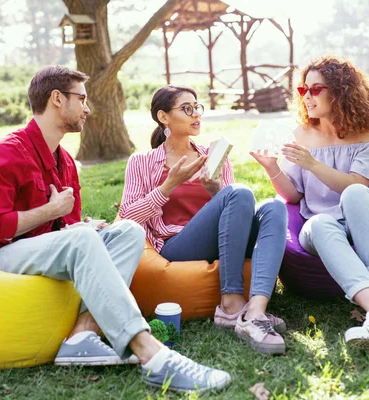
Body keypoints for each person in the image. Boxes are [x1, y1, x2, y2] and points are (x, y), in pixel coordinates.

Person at [0, 66, 231, 392]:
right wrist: (50, 212)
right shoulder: (7, 153)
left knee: (128, 230)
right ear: (57, 99)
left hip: (40, 247)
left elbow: (68, 226)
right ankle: (152, 355)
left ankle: (82, 336)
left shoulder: (65, 161)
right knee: (82, 238)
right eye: (81, 99)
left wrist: (85, 224)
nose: (87, 108)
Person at [251, 55, 369, 349]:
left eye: (316, 89)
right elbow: (293, 197)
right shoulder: (300, 135)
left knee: (354, 193)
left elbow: (357, 186)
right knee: (320, 222)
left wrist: (313, 164)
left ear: (339, 92)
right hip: (323, 229)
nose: (307, 96)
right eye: (303, 90)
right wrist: (270, 166)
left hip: (365, 219)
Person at [119, 85, 288, 355]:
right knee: (240, 191)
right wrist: (168, 185)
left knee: (273, 208)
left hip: (224, 241)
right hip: (177, 244)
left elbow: (238, 210)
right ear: (164, 117)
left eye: (197, 107)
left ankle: (254, 312)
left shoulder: (214, 155)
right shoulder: (143, 161)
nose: (196, 114)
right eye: (187, 109)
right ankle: (231, 305)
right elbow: (127, 216)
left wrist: (215, 191)